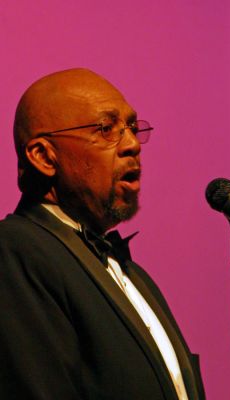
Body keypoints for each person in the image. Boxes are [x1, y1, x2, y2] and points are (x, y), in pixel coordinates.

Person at [0, 68, 205, 399]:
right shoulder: (15, 250)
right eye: (106, 129)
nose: (132, 145)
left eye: (133, 129)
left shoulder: (130, 273)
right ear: (43, 156)